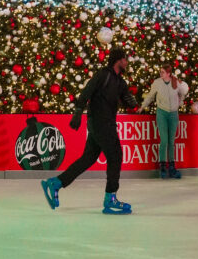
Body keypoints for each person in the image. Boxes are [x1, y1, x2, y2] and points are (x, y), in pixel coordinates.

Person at [41, 46, 137, 215]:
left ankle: (56, 183)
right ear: (118, 60)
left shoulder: (120, 82)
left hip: (105, 124)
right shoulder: (103, 75)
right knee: (115, 156)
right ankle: (110, 199)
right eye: (125, 59)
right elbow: (86, 92)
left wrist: (131, 101)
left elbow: (127, 100)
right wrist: (78, 112)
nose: (126, 62)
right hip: (100, 123)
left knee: (88, 159)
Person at [140, 63, 189, 179]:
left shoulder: (176, 82)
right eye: (160, 71)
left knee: (171, 141)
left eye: (162, 72)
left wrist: (179, 103)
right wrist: (142, 106)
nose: (160, 73)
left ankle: (172, 167)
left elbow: (183, 93)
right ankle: (162, 166)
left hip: (173, 114)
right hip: (162, 113)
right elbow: (150, 96)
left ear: (168, 73)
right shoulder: (157, 83)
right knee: (164, 140)